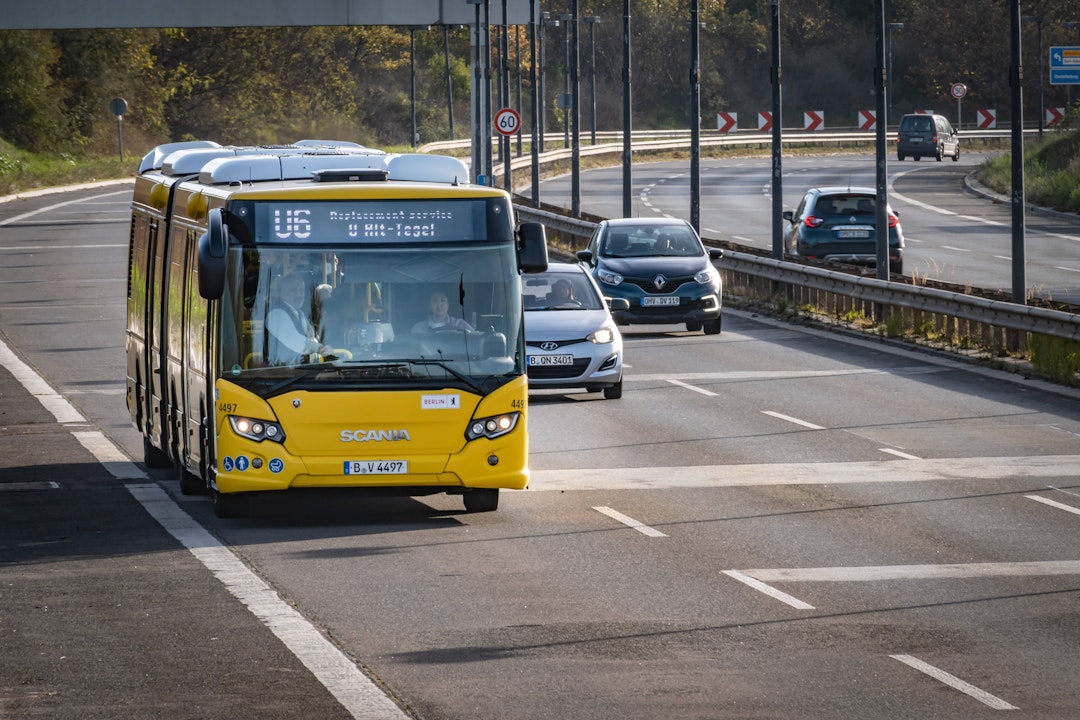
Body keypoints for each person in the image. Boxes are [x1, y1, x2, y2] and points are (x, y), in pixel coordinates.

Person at [266, 272, 332, 364]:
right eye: (293, 290)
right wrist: (319, 348)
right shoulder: (276, 314)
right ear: (281, 292)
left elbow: (311, 337)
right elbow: (294, 340)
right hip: (282, 369)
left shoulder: (300, 314)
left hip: (302, 367)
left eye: (301, 290)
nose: (299, 295)